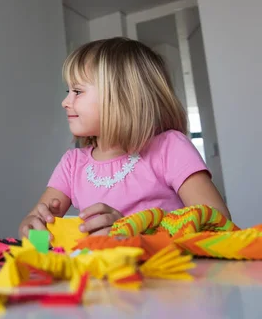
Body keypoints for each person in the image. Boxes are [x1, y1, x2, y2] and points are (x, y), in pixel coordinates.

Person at [19, 37, 230, 238]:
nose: (65, 102)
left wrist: (133, 230)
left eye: (77, 91)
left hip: (165, 273)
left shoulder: (169, 148)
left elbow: (218, 222)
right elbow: (33, 226)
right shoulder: (72, 164)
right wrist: (33, 227)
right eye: (68, 90)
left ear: (121, 98)